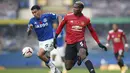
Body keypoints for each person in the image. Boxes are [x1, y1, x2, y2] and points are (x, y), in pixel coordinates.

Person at [53, 1, 107, 73]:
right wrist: (55, 37)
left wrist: (98, 42)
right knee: (68, 67)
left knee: (82, 54)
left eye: (76, 7)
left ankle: (92, 71)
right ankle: (77, 57)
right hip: (70, 43)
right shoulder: (67, 16)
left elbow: (92, 31)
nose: (74, 9)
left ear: (81, 9)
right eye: (74, 7)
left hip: (80, 41)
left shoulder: (86, 19)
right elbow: (60, 26)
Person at [27, 5, 62, 73]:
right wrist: (30, 29)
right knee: (47, 62)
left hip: (50, 40)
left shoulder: (47, 16)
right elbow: (28, 34)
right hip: (41, 42)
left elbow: (59, 16)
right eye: (33, 13)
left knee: (40, 54)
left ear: (39, 11)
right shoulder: (32, 20)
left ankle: (52, 68)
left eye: (35, 12)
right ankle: (58, 71)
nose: (34, 14)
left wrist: (60, 25)